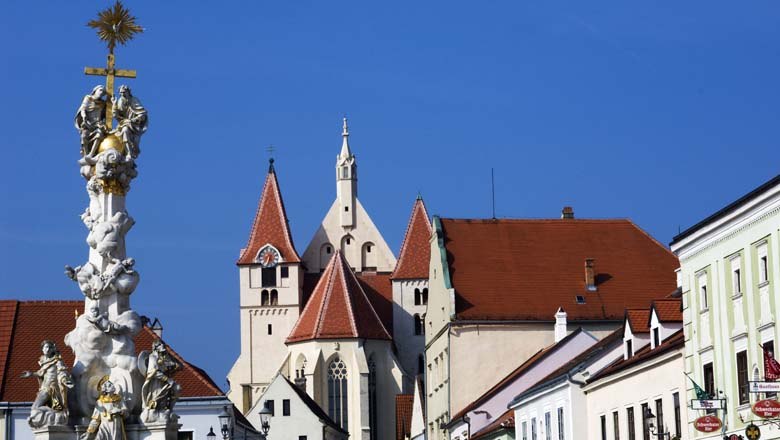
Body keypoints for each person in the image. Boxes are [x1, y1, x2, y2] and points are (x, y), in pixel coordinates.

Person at [21, 340, 74, 428]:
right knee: (35, 409)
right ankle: (54, 412)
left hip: (51, 388)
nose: (48, 349)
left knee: (35, 408)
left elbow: (62, 372)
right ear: (42, 349)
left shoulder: (57, 361)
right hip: (44, 387)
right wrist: (31, 374)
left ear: (53, 349)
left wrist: (65, 380)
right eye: (46, 347)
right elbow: (41, 373)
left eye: (49, 347)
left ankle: (56, 412)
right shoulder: (43, 361)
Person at [113, 85, 148, 158]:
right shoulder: (120, 101)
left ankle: (131, 152)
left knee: (135, 142)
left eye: (124, 92)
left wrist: (135, 119)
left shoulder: (134, 100)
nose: (122, 94)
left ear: (128, 92)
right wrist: (114, 104)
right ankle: (128, 152)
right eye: (121, 93)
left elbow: (142, 113)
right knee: (125, 130)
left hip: (135, 125)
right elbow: (116, 116)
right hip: (125, 124)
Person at [75, 86, 108, 157]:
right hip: (88, 123)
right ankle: (86, 154)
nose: (101, 93)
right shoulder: (88, 98)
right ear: (95, 90)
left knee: (99, 134)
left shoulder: (102, 103)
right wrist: (84, 117)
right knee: (84, 136)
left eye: (103, 93)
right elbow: (83, 109)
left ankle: (92, 153)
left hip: (97, 124)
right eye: (100, 90)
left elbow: (107, 114)